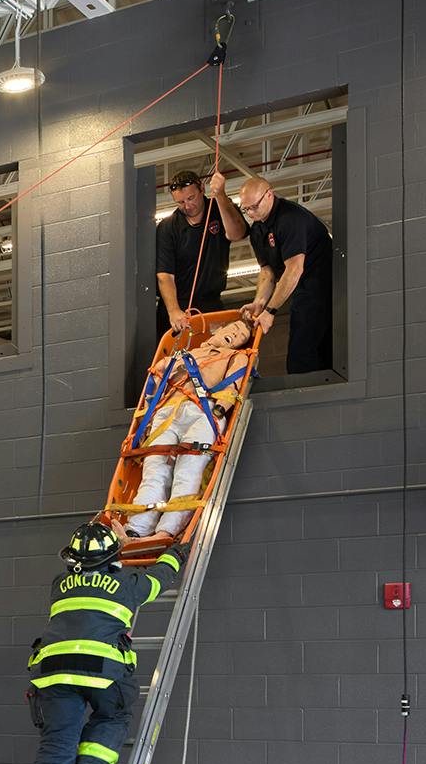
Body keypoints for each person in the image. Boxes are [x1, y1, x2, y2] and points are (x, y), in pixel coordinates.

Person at [23, 522, 186, 764]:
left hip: (53, 673)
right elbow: (157, 581)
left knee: (57, 743)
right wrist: (176, 553)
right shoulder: (126, 582)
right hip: (103, 671)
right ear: (114, 555)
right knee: (113, 715)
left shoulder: (60, 584)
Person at [122, 315, 261, 538]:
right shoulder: (181, 355)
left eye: (241, 336)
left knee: (188, 471)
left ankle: (166, 531)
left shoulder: (236, 356)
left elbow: (234, 384)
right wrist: (146, 418)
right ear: (217, 330)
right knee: (155, 470)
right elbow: (155, 382)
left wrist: (219, 410)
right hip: (167, 413)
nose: (236, 335)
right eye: (234, 328)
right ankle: (136, 528)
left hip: (204, 412)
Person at [208, 172, 333, 374]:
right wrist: (259, 303)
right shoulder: (258, 231)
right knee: (300, 345)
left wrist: (271, 311)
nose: (250, 213)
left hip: (325, 284)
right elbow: (267, 273)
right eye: (246, 209)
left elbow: (294, 268)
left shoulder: (290, 219)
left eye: (254, 206)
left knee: (305, 350)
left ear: (269, 195)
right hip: (302, 289)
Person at [153, 170, 229, 333]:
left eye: (191, 198)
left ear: (202, 189)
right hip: (177, 306)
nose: (187, 206)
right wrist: (173, 311)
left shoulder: (219, 210)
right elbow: (164, 275)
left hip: (211, 303)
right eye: (180, 202)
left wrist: (221, 195)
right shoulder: (168, 227)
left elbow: (238, 233)